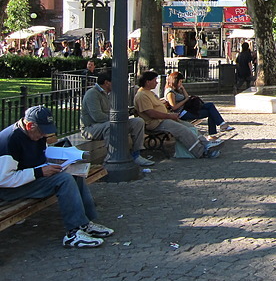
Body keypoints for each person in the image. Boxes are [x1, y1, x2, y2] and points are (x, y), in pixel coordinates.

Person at [0, 105, 115, 247]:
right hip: (9, 189)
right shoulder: (10, 141)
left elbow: (40, 155)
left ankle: (84, 223)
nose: (43, 136)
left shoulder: (35, 135)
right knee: (64, 180)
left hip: (28, 178)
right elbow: (4, 179)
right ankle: (73, 233)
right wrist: (40, 172)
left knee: (75, 172)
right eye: (42, 132)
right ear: (29, 125)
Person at [134, 71, 222, 159]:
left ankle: (206, 144)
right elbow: (151, 113)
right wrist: (169, 116)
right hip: (156, 123)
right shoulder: (142, 95)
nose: (157, 82)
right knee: (182, 130)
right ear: (147, 82)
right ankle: (201, 152)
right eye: (155, 80)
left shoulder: (149, 92)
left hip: (164, 118)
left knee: (190, 127)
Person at [80, 72, 153, 166]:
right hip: (91, 128)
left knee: (138, 122)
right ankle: (111, 157)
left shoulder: (109, 94)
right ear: (107, 83)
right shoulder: (92, 94)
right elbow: (97, 117)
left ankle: (136, 155)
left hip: (111, 122)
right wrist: (118, 119)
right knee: (111, 126)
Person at [164, 72, 234, 136]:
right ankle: (215, 132)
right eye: (180, 82)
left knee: (210, 106)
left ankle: (220, 127)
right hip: (182, 113)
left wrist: (183, 89)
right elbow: (174, 107)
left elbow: (187, 97)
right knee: (210, 111)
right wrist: (185, 100)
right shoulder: (170, 93)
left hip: (188, 109)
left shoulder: (176, 90)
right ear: (175, 81)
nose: (181, 83)